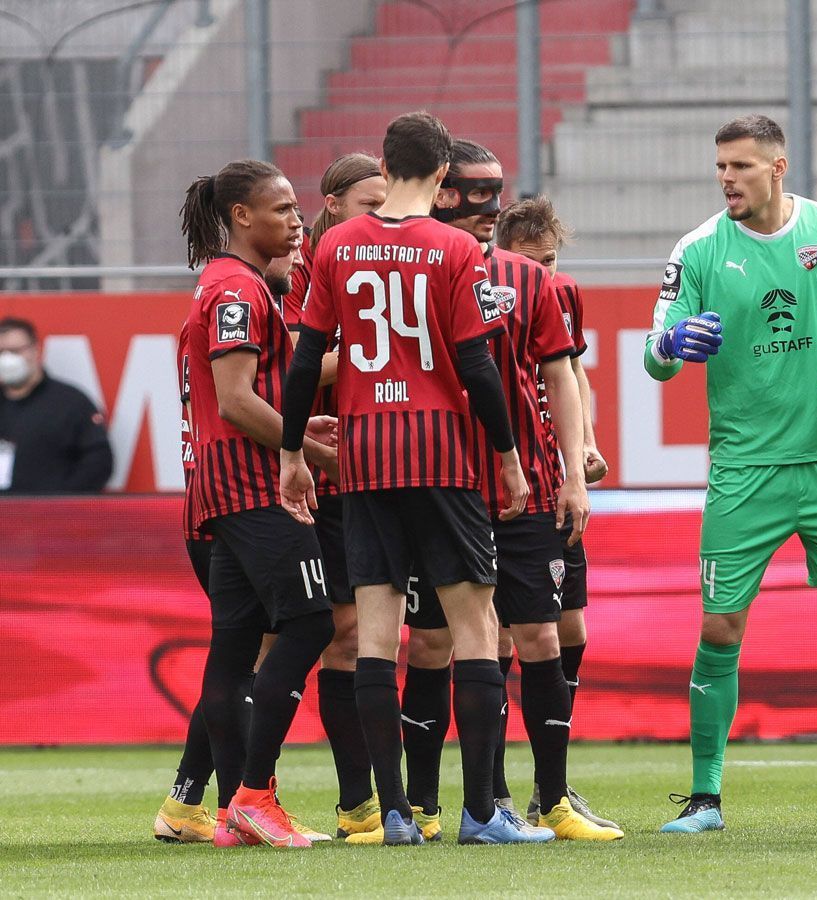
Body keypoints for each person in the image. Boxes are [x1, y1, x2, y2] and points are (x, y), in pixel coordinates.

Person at [644, 114, 817, 834]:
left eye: (740, 166)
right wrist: (674, 340)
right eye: (720, 168)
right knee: (721, 623)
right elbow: (655, 352)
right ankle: (705, 799)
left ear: (778, 166)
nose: (727, 179)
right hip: (743, 470)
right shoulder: (700, 248)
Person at [278, 111, 539, 846]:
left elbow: (305, 363)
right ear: (443, 175)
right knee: (475, 628)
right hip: (443, 458)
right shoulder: (457, 249)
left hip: (364, 462)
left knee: (375, 637)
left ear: (385, 167)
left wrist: (292, 451)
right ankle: (482, 813)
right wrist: (508, 453)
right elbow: (477, 366)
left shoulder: (335, 249)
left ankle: (392, 812)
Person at [403, 139, 612, 841]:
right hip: (439, 482)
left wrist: (575, 474)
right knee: (439, 644)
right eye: (472, 194)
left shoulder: (534, 282)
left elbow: (561, 377)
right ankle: (440, 805)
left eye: (495, 195)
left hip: (525, 487)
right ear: (440, 191)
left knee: (539, 633)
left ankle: (549, 799)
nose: (488, 210)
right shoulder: (410, 278)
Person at [177, 161, 337, 848]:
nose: (295, 219)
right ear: (241, 216)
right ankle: (253, 793)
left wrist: (300, 429)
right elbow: (239, 401)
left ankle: (227, 816)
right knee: (311, 624)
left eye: (297, 207)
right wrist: (307, 449)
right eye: (280, 208)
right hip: (249, 485)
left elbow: (252, 392)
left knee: (235, 646)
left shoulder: (232, 284)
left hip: (224, 484)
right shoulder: (237, 290)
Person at [495, 195, 617, 830]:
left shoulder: (557, 293)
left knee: (570, 630)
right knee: (499, 634)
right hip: (506, 487)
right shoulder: (485, 289)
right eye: (532, 260)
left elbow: (572, 374)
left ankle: (554, 789)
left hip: (553, 481)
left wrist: (585, 446)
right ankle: (495, 792)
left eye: (550, 259)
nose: (543, 270)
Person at [282, 151, 387, 841]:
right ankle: (217, 792)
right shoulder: (304, 272)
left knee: (355, 636)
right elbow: (292, 365)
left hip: (373, 472)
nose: (380, 216)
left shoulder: (391, 264)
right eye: (368, 203)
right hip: (314, 475)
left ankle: (362, 806)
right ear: (331, 202)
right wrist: (375, 344)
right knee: (286, 639)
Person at [0, 317, 112, 493]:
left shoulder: (70, 403)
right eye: (1, 352)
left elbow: (98, 462)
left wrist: (61, 502)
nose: (7, 359)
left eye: (15, 351)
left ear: (35, 349)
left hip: (51, 514)